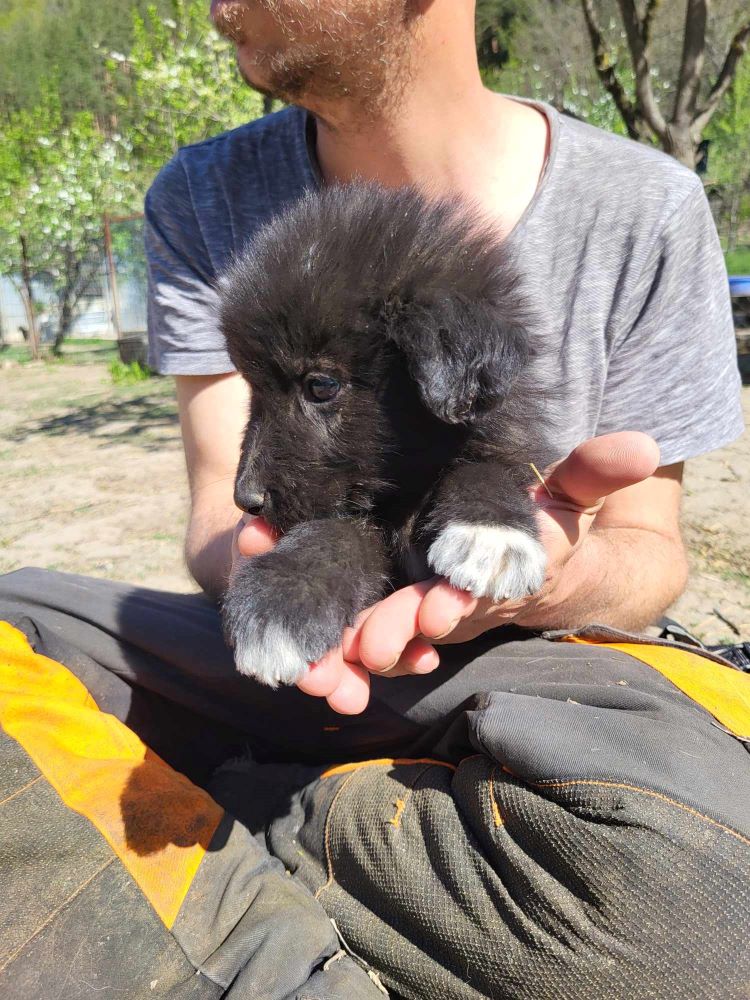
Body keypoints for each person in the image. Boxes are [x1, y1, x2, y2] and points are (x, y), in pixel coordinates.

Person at [0, 2, 747, 997]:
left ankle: (260, 830)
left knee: (698, 899)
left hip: (543, 670)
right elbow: (230, 512)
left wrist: (546, 572)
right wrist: (299, 570)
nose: (217, 5)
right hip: (289, 640)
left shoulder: (643, 206)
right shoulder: (206, 196)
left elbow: (651, 550)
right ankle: (333, 880)